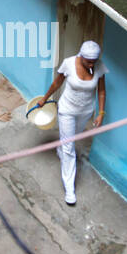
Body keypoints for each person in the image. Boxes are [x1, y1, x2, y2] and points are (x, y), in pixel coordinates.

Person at [36, 40, 107, 205]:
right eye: (88, 61)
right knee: (70, 148)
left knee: (71, 139)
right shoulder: (69, 63)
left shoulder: (98, 66)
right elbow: (57, 82)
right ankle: (69, 188)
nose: (91, 64)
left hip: (85, 111)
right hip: (67, 110)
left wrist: (101, 112)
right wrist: (44, 99)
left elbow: (101, 90)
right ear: (81, 56)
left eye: (94, 61)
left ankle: (60, 147)